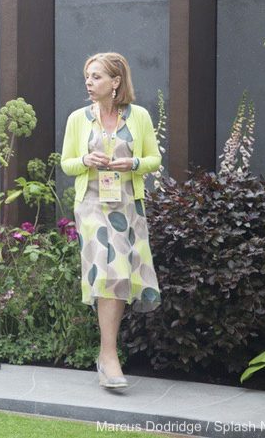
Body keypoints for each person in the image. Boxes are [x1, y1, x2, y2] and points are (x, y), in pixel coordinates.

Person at [60, 52, 161, 389]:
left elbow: (154, 159)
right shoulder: (78, 118)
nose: (89, 83)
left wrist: (132, 164)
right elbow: (67, 163)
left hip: (127, 204)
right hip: (90, 203)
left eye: (97, 77)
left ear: (116, 82)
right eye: (87, 77)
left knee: (117, 275)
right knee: (107, 270)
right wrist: (86, 159)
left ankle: (106, 356)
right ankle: (109, 355)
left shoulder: (139, 116)